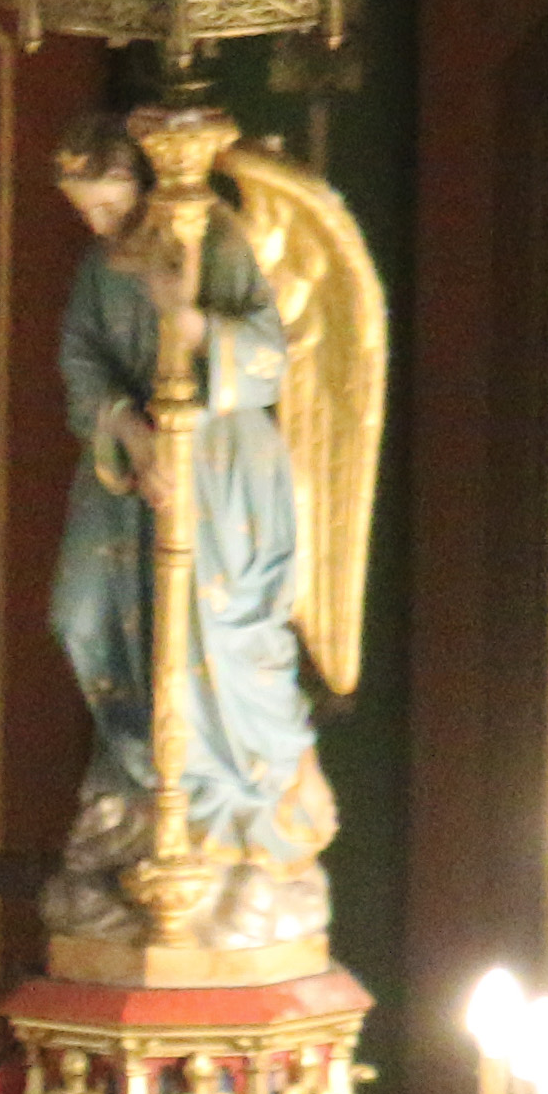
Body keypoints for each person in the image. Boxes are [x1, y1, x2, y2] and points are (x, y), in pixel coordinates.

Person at [43, 109, 330, 951]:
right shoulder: (101, 263)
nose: (97, 225)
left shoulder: (218, 240)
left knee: (220, 634)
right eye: (84, 211)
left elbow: (270, 355)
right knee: (82, 613)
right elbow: (81, 359)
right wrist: (130, 433)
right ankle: (142, 791)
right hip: (130, 472)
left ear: (139, 183)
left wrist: (191, 319)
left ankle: (236, 818)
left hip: (221, 467)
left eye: (106, 204)